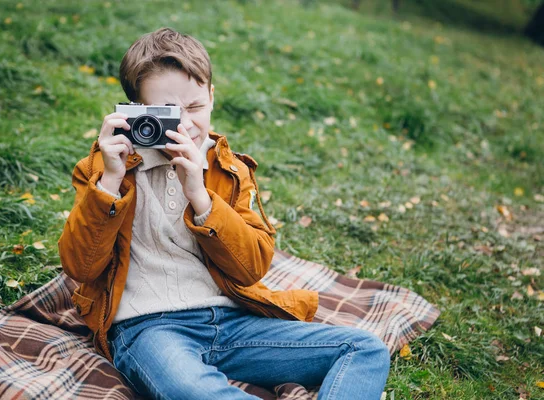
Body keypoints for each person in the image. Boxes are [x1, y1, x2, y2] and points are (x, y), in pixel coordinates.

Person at [58, 27, 390, 400]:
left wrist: (200, 197)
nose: (185, 124)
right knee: (190, 389)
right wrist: (110, 184)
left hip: (233, 322)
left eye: (196, 107)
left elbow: (251, 267)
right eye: (168, 112)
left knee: (364, 349)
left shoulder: (229, 170)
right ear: (136, 110)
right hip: (148, 327)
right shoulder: (104, 168)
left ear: (212, 97)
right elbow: (80, 268)